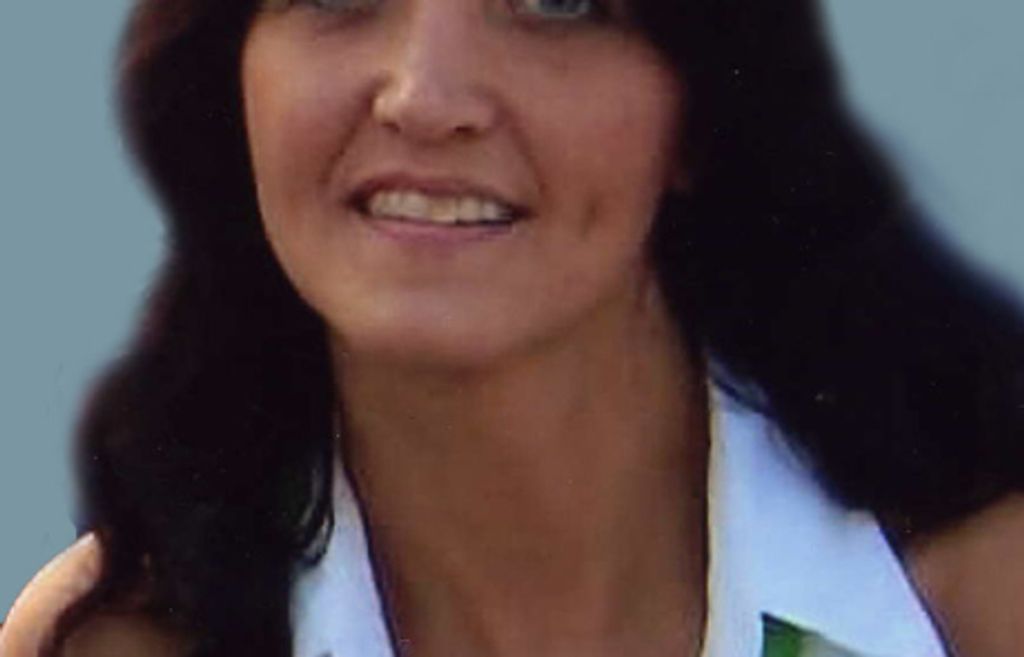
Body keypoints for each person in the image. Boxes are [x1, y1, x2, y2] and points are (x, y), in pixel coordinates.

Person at [2, 0, 1023, 655]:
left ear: (703, 109)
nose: (423, 98)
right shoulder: (116, 634)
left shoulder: (975, 582)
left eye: (557, 2)